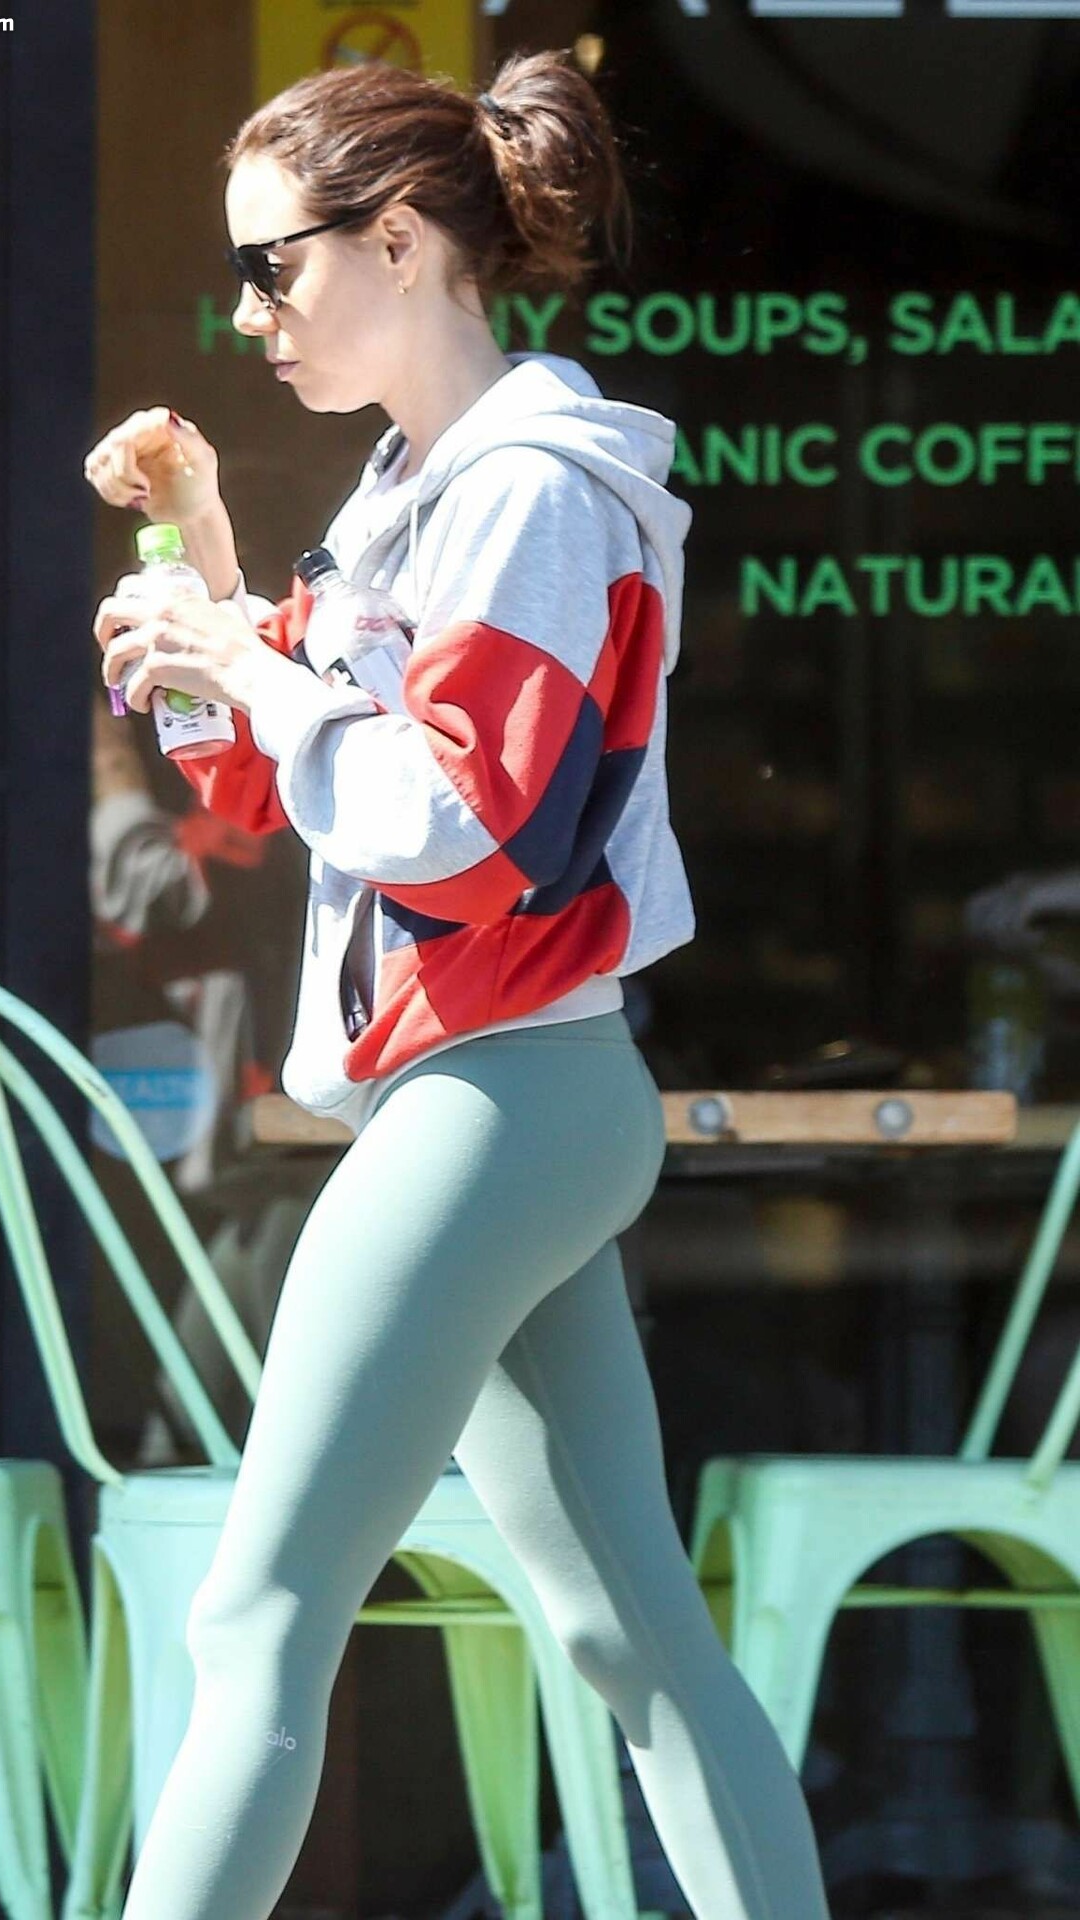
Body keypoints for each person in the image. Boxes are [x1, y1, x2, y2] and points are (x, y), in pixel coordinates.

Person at [85, 51, 834, 1920]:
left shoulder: (529, 496)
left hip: (498, 1096)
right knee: (628, 1631)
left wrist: (252, 665)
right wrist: (203, 574)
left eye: (273, 266)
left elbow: (459, 828)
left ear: (404, 239)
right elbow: (271, 790)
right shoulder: (421, 490)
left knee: (258, 1616)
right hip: (507, 1097)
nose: (248, 312)